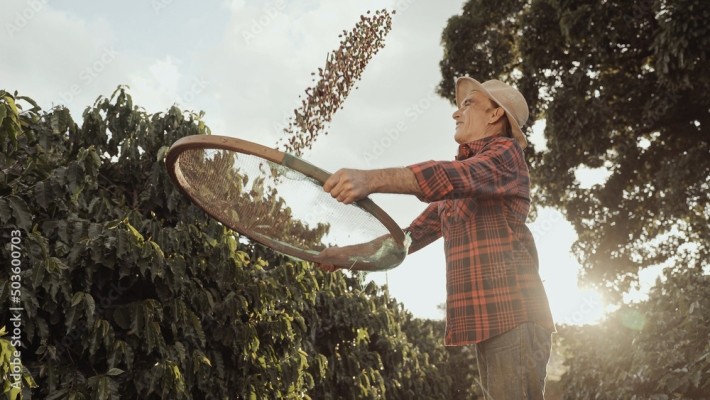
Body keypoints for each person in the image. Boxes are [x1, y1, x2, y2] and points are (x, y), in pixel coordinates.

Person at [319, 76, 555, 399]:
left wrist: (369, 179)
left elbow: (451, 176)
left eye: (468, 104)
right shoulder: (464, 186)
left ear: (495, 114)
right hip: (490, 321)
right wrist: (344, 256)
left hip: (514, 313)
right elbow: (405, 239)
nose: (456, 114)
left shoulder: (505, 155)